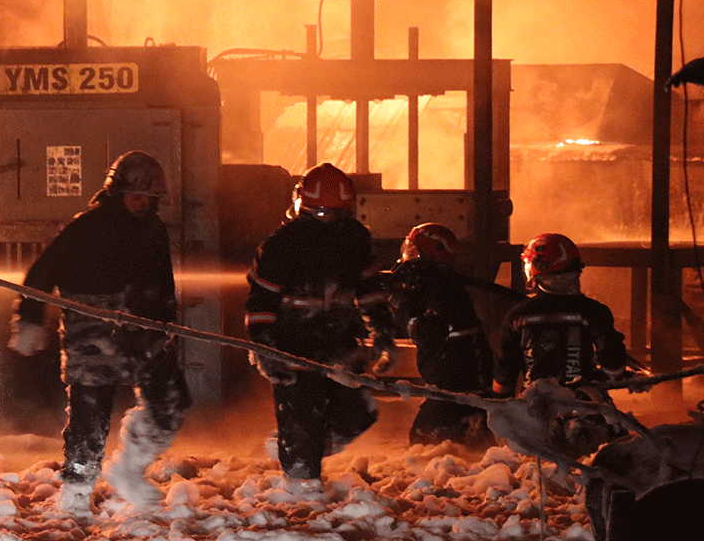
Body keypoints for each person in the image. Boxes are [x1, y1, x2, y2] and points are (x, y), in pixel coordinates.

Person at [7, 150, 191, 521]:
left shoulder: (154, 232)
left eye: (150, 198)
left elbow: (162, 284)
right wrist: (29, 320)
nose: (143, 203)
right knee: (89, 419)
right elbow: (41, 276)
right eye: (137, 195)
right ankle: (76, 493)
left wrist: (166, 323)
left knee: (170, 402)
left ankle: (128, 470)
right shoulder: (85, 228)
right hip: (92, 335)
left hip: (144, 331)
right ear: (116, 191)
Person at [243, 162, 395, 503]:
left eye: (335, 214)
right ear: (303, 208)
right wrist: (265, 348)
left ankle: (295, 445)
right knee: (301, 417)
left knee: (359, 413)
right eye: (321, 214)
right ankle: (302, 493)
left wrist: (382, 332)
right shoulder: (281, 245)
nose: (328, 222)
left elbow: (370, 290)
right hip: (293, 348)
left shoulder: (355, 238)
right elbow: (261, 301)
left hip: (340, 345)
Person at [493, 232, 629, 458]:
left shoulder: (518, 315)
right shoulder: (593, 311)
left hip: (534, 411)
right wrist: (618, 375)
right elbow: (612, 360)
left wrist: (500, 407)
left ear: (536, 267)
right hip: (586, 407)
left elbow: (505, 370)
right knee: (616, 449)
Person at [388, 222, 495, 449]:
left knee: (424, 444)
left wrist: (401, 309)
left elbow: (425, 330)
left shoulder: (430, 284)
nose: (408, 256)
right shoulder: (448, 284)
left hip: (453, 393)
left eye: (413, 249)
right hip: (474, 391)